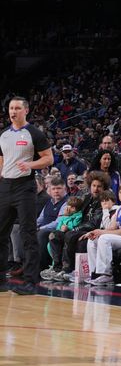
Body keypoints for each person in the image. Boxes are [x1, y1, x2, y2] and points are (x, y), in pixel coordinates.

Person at [0, 96, 54, 294]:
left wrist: (30, 164)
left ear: (26, 111)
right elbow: (1, 160)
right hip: (5, 186)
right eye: (10, 108)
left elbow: (49, 158)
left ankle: (31, 282)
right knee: (1, 234)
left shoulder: (34, 133)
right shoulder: (4, 134)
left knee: (28, 234)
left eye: (17, 108)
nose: (13, 111)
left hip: (25, 187)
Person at [82, 184, 121, 286]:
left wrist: (101, 232)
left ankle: (106, 274)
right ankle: (94, 273)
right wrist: (95, 232)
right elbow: (111, 228)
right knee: (93, 239)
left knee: (104, 238)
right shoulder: (120, 208)